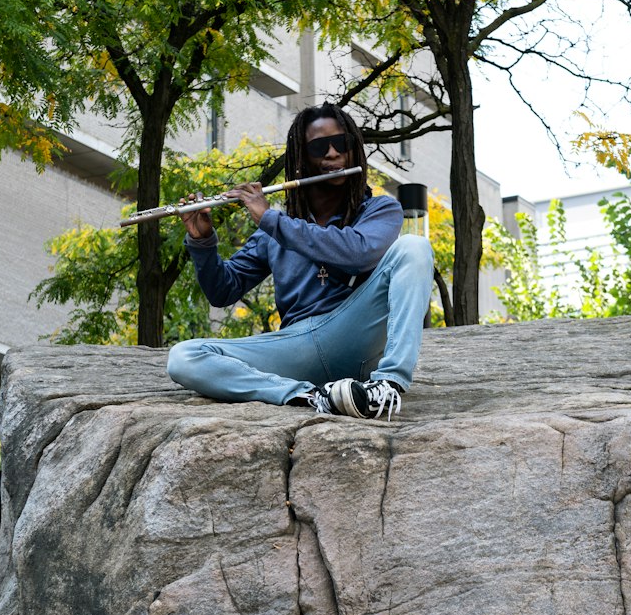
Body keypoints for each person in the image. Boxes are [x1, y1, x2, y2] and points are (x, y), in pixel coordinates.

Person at [167, 105, 434, 420]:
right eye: (320, 147)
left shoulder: (379, 210)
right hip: (296, 347)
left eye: (342, 144)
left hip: (354, 335)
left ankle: (387, 386)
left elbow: (360, 252)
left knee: (415, 247)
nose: (333, 154)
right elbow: (223, 291)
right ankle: (309, 397)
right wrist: (202, 242)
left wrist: (271, 219)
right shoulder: (275, 229)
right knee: (183, 357)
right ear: (302, 159)